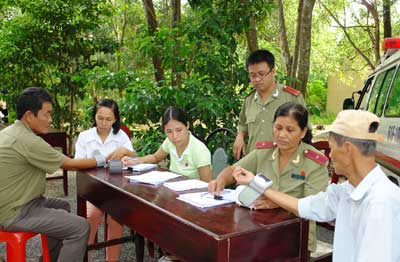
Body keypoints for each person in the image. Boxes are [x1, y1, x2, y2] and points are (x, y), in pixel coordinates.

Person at [233, 109, 400, 262]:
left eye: (332, 148)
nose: (330, 155)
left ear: (348, 149)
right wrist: (255, 183)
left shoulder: (381, 202)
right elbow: (302, 206)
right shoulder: (346, 190)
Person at [0, 87, 106, 262]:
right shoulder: (27, 140)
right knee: (80, 227)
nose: (50, 120)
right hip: (14, 212)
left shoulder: (11, 132)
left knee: (62, 206)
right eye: (47, 114)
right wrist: (104, 159)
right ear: (29, 116)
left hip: (18, 202)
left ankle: (49, 259)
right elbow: (69, 164)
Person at [209, 102, 328, 252]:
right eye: (278, 128)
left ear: (303, 132)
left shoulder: (314, 162)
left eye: (290, 130)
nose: (282, 134)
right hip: (257, 231)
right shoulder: (265, 151)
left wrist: (277, 202)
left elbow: (312, 207)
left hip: (295, 237)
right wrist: (220, 180)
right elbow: (234, 169)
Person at [74, 98, 136, 262]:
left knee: (115, 218)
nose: (103, 123)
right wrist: (101, 160)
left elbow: (134, 157)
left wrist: (125, 152)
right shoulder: (85, 137)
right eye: (100, 118)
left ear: (115, 119)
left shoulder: (120, 136)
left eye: (108, 119)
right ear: (94, 116)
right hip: (93, 189)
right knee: (92, 216)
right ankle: (84, 256)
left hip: (116, 189)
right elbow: (78, 163)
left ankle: (112, 260)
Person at [233, 49, 307, 160]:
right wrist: (240, 136)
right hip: (254, 163)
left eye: (261, 74)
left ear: (273, 72)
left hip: (284, 164)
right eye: (252, 75)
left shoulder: (292, 98)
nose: (257, 79)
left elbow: (305, 132)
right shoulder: (249, 100)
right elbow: (243, 124)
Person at [123, 106, 212, 182]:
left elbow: (206, 185)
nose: (174, 136)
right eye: (169, 131)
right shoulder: (169, 142)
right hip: (173, 190)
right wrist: (136, 161)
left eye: (179, 130)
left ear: (187, 125)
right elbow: (156, 157)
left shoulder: (199, 150)